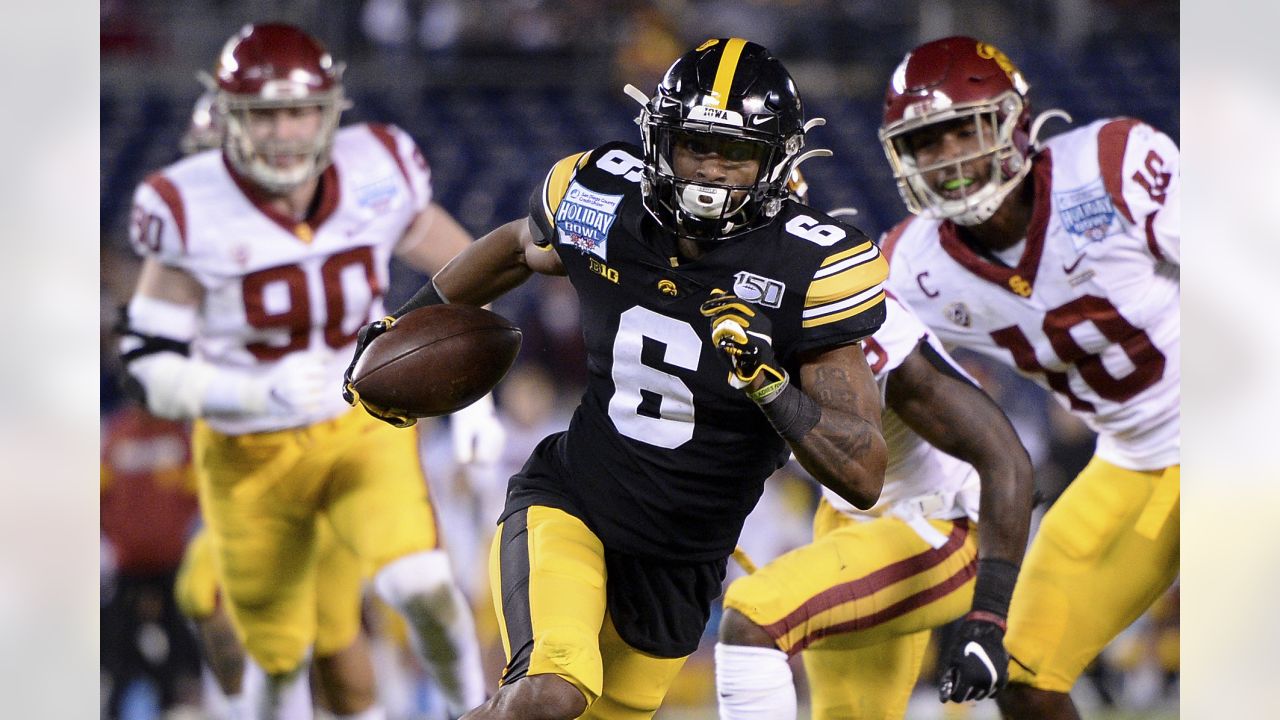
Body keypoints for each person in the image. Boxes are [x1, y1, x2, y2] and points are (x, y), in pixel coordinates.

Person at [344, 37, 891, 720]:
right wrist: (407, 325)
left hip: (678, 571)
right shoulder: (603, 199)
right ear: (660, 140)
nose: (711, 172)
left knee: (543, 709)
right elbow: (519, 247)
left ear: (777, 161)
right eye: (696, 145)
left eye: (735, 153)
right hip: (572, 504)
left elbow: (864, 472)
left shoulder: (808, 268)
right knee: (548, 695)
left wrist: (767, 381)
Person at [119, 22, 501, 720]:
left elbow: (467, 273)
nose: (285, 135)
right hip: (247, 450)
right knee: (277, 656)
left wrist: (473, 396)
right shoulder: (186, 207)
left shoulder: (377, 169)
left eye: (299, 112)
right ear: (228, 122)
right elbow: (145, 365)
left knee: (422, 583)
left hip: (362, 419)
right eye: (264, 116)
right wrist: (246, 391)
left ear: (331, 111)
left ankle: (476, 711)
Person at [876, 36, 1179, 719]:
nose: (947, 158)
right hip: (1131, 461)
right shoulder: (912, 267)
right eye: (925, 142)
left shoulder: (1109, 164)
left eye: (962, 130)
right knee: (1022, 678)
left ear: (1013, 120)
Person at [714, 291, 1034, 719]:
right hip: (846, 519)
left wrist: (989, 618)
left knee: (754, 615)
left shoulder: (864, 324)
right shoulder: (720, 301)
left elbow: (1005, 459)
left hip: (937, 525)